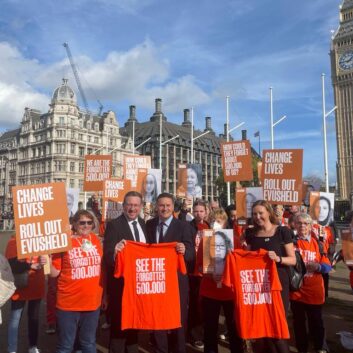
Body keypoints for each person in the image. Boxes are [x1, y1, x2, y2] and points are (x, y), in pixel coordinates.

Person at [244, 200, 296, 353]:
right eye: (254, 214)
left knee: (277, 324)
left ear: (268, 212)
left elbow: (292, 259)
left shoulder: (282, 231)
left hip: (278, 284)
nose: (257, 217)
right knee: (261, 325)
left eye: (261, 213)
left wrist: (279, 259)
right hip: (258, 286)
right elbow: (247, 257)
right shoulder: (250, 233)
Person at [146, 192, 195, 353]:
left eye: (168, 205)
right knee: (158, 318)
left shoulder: (184, 226)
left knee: (179, 319)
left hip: (177, 281)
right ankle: (161, 349)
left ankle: (179, 349)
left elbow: (190, 255)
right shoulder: (150, 225)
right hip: (157, 280)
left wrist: (184, 250)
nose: (165, 208)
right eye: (161, 205)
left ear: (173, 207)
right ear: (156, 207)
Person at [50, 210, 104, 353]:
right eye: (82, 222)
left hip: (92, 303)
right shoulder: (64, 241)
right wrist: (46, 256)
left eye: (89, 222)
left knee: (88, 343)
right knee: (65, 346)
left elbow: (102, 270)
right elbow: (54, 273)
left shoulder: (96, 241)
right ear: (74, 223)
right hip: (68, 304)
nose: (86, 225)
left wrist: (106, 296)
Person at [103, 191, 147, 353]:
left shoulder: (144, 224)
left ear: (141, 206)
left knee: (135, 325)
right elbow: (107, 256)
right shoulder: (114, 225)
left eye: (136, 205)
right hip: (121, 286)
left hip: (139, 287)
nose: (132, 208)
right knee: (119, 327)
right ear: (123, 206)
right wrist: (115, 252)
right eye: (129, 204)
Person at [197, 209, 244, 353]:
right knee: (210, 329)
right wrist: (210, 275)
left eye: (219, 221)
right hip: (210, 291)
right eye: (212, 221)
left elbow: (240, 266)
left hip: (229, 291)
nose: (215, 224)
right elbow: (200, 266)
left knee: (234, 328)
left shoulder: (234, 240)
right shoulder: (206, 240)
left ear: (225, 223)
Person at [290, 213, 331, 353]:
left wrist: (318, 267)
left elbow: (328, 266)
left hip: (315, 292)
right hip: (297, 291)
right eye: (299, 223)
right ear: (294, 225)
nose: (302, 226)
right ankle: (302, 349)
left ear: (310, 226)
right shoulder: (291, 243)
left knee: (317, 324)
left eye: (305, 223)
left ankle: (320, 347)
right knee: (299, 324)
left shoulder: (318, 244)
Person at [6, 234, 47, 353]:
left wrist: (46, 260)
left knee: (34, 318)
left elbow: (48, 264)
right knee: (15, 318)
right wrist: (29, 265)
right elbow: (11, 265)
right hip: (20, 286)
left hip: (36, 285)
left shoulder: (43, 240)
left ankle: (33, 346)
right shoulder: (14, 240)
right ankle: (12, 349)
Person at [187, 200, 210, 349]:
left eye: (201, 211)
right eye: (196, 211)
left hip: (207, 273)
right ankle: (195, 335)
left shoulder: (211, 226)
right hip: (192, 272)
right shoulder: (188, 227)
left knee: (206, 305)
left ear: (206, 212)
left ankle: (204, 333)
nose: (198, 214)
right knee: (194, 304)